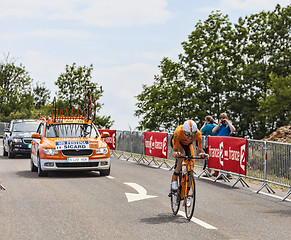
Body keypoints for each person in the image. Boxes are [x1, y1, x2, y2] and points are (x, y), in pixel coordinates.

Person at [171, 120, 208, 191]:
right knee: (182, 155)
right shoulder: (178, 132)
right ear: (184, 131)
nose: (190, 137)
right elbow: (175, 151)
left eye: (192, 134)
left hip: (188, 145)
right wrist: (176, 153)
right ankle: (174, 180)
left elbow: (198, 153)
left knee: (191, 165)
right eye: (187, 134)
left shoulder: (198, 134)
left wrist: (203, 155)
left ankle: (187, 194)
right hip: (178, 143)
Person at [212, 112, 236, 179]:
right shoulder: (219, 126)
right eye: (221, 118)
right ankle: (216, 172)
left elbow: (233, 130)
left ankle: (228, 172)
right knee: (218, 157)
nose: (223, 120)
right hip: (219, 143)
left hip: (226, 143)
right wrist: (219, 124)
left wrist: (228, 123)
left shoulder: (228, 126)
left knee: (226, 158)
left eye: (224, 118)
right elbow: (213, 131)